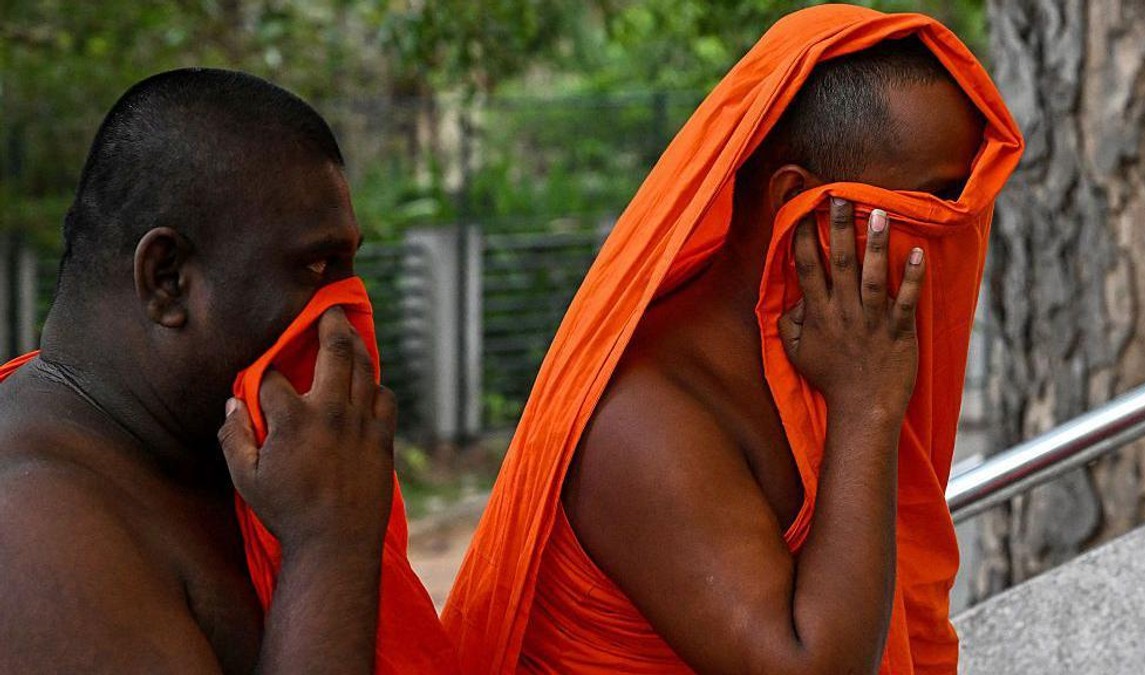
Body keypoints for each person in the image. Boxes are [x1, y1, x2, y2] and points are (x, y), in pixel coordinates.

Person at [443, 6, 1024, 674]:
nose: (956, 233)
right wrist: (867, 407)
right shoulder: (645, 418)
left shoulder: (830, 354)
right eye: (934, 202)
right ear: (796, 206)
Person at [0, 68, 455, 673]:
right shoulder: (34, 531)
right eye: (316, 268)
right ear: (168, 280)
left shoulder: (220, 459)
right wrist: (328, 547)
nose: (347, 321)